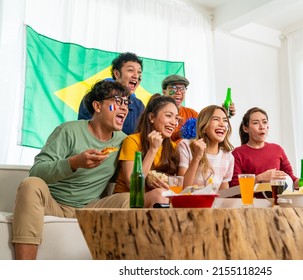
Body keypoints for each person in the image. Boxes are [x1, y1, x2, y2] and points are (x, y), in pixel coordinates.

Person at [12, 80, 131, 260]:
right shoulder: (68, 131)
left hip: (89, 208)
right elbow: (37, 171)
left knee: (128, 200)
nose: (124, 108)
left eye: (126, 103)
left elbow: (124, 179)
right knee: (30, 184)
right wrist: (73, 163)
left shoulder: (123, 142)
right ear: (97, 106)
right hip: (54, 204)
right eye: (118, 101)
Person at [229, 107, 303, 189]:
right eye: (255, 123)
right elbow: (234, 188)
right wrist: (259, 178)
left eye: (264, 122)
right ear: (245, 128)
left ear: (268, 126)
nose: (262, 126)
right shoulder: (237, 153)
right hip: (252, 205)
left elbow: (292, 181)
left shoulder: (277, 149)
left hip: (277, 204)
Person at [114, 94, 180, 207]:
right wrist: (152, 149)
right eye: (169, 116)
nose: (174, 122)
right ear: (151, 117)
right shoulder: (132, 141)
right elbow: (133, 185)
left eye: (176, 118)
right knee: (160, 195)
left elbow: (179, 184)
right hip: (127, 197)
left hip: (158, 199)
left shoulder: (174, 147)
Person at [78, 52, 144, 135]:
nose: (136, 76)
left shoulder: (139, 106)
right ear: (116, 73)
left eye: (139, 72)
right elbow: (83, 133)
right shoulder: (97, 96)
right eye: (130, 70)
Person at [161, 74, 236, 143]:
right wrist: (180, 133)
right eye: (174, 88)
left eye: (182, 88)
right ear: (164, 92)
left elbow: (208, 128)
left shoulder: (191, 113)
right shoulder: (159, 113)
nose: (179, 92)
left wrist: (223, 114)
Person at [177, 105, 234, 192]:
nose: (222, 124)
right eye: (216, 119)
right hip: (188, 204)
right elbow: (182, 189)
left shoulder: (228, 157)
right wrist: (196, 157)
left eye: (225, 120)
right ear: (203, 126)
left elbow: (223, 195)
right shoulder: (186, 146)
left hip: (213, 205)